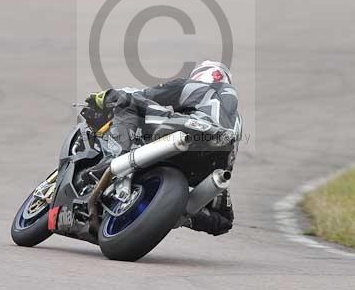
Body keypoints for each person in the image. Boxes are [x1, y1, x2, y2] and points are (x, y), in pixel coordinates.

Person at [86, 60, 240, 236]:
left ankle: (113, 158)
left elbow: (144, 94)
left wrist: (109, 96)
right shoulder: (235, 117)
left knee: (127, 102)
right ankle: (182, 215)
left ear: (200, 74)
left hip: (191, 129)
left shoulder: (192, 85)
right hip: (216, 161)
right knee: (224, 220)